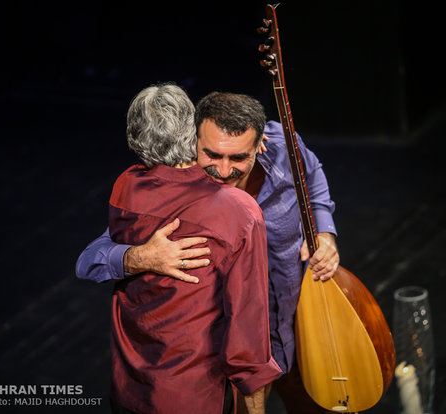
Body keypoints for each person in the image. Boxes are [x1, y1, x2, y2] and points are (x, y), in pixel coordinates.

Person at [76, 91, 340, 410]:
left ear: (261, 144)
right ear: (192, 142)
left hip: (303, 320)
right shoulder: (177, 195)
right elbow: (89, 259)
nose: (225, 170)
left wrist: (324, 231)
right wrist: (140, 256)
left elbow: (312, 176)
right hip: (241, 358)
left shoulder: (283, 144)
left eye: (238, 157)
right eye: (212, 155)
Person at [101, 83, 281, 414]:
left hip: (128, 388)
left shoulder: (124, 186)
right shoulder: (236, 211)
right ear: (192, 134)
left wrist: (132, 258)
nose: (225, 170)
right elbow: (249, 341)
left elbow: (94, 257)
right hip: (192, 396)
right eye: (214, 154)